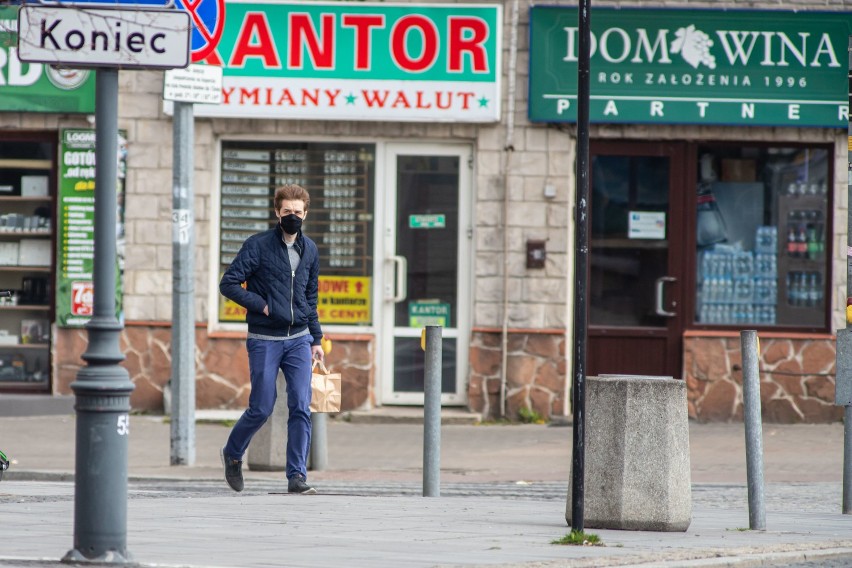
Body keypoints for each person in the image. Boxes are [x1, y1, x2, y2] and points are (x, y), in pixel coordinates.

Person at [219, 184, 324, 494]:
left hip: (299, 339)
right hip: (264, 338)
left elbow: (310, 295)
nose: (293, 217)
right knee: (262, 407)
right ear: (278, 212)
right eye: (287, 211)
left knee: (301, 406)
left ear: (306, 214)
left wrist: (316, 339)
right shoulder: (258, 245)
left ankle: (296, 476)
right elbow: (229, 283)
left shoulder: (310, 250)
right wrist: (262, 305)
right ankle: (233, 453)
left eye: (298, 212)